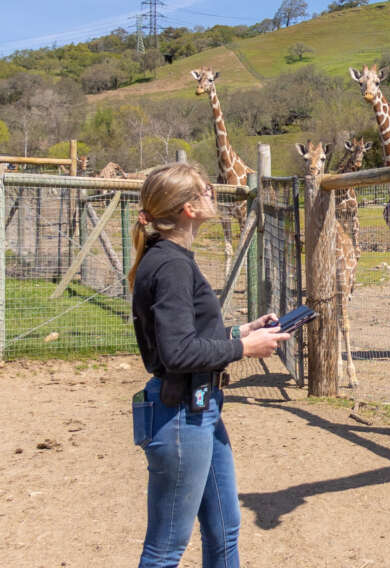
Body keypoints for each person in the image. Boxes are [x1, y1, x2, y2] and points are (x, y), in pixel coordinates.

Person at [128, 162, 290, 568]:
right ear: (187, 208)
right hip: (181, 414)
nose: (211, 195)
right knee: (165, 549)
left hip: (199, 409)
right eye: (205, 191)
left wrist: (239, 332)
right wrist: (245, 349)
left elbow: (186, 337)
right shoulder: (171, 265)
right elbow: (177, 353)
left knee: (224, 528)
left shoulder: (171, 258)